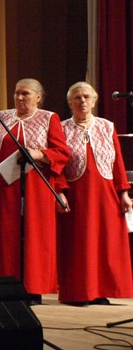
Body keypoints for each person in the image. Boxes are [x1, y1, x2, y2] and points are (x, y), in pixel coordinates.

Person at [0, 78, 70, 303]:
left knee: (34, 236)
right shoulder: (1, 117)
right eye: (17, 93)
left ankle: (32, 288)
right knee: (6, 237)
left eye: (26, 93)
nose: (19, 97)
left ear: (38, 97)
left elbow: (62, 152)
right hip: (5, 188)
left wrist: (39, 154)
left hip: (37, 188)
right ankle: (5, 287)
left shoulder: (49, 118)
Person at [56, 82, 133, 305]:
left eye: (86, 97)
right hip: (76, 194)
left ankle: (100, 291)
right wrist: (59, 191)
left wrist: (123, 193)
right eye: (77, 97)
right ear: (70, 103)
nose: (82, 101)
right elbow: (57, 165)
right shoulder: (61, 128)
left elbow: (118, 162)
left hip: (106, 193)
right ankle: (78, 292)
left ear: (94, 100)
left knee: (104, 242)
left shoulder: (107, 126)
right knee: (80, 242)